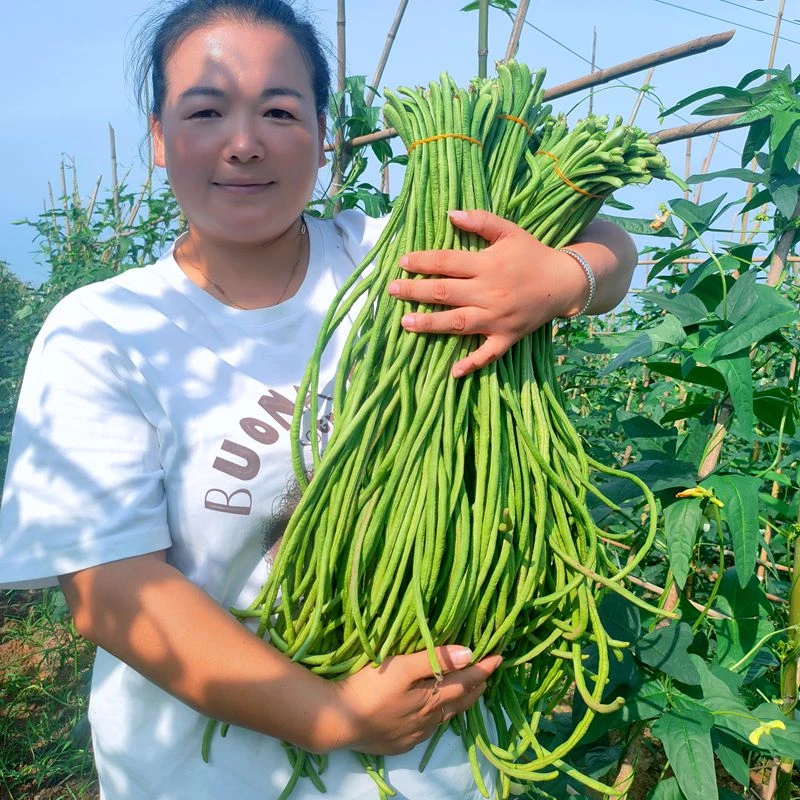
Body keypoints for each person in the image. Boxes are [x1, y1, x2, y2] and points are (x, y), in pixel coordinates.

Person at [0, 1, 639, 798]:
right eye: (205, 112)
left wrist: (562, 279)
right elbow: (111, 593)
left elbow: (608, 242)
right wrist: (332, 717)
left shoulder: (400, 258)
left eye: (279, 111)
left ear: (323, 132)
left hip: (436, 769)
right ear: (159, 137)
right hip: (209, 777)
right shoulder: (104, 331)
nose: (244, 142)